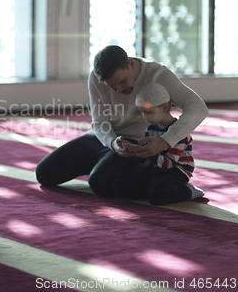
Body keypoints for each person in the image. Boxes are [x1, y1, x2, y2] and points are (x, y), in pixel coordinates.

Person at [35, 45, 208, 200]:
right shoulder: (96, 78)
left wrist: (165, 141)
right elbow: (99, 121)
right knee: (44, 174)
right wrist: (112, 142)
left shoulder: (157, 74)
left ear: (131, 64)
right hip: (106, 139)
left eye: (122, 81)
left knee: (99, 184)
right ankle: (108, 165)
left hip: (137, 145)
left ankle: (169, 183)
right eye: (112, 86)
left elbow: (198, 107)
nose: (119, 89)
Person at [111, 82, 205, 205]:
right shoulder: (151, 129)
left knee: (159, 196)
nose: (145, 118)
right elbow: (149, 163)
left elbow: (169, 164)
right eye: (142, 112)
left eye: (148, 112)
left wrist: (147, 153)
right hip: (157, 170)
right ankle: (154, 188)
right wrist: (136, 152)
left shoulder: (180, 132)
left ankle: (188, 190)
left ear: (165, 107)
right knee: (120, 186)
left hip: (176, 173)